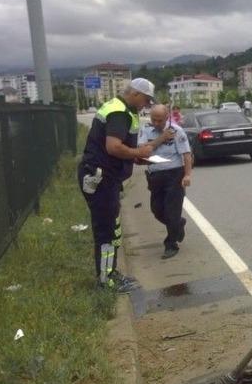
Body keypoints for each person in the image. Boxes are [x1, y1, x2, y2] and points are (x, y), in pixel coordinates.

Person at [78, 78, 173, 292]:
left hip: (107, 178)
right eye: (146, 100)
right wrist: (138, 153)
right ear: (136, 94)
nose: (146, 105)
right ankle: (106, 282)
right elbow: (113, 147)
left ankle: (110, 274)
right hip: (101, 179)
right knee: (106, 231)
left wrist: (134, 157)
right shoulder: (120, 112)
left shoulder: (122, 109)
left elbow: (120, 148)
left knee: (113, 230)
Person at [138, 104, 193, 259]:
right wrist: (161, 138)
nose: (156, 123)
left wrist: (187, 175)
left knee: (171, 211)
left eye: (160, 120)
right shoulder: (146, 130)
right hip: (155, 176)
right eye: (153, 119)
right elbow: (143, 151)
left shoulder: (177, 131)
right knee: (157, 210)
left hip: (174, 175)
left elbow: (186, 154)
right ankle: (179, 224)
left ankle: (171, 244)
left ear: (167, 117)